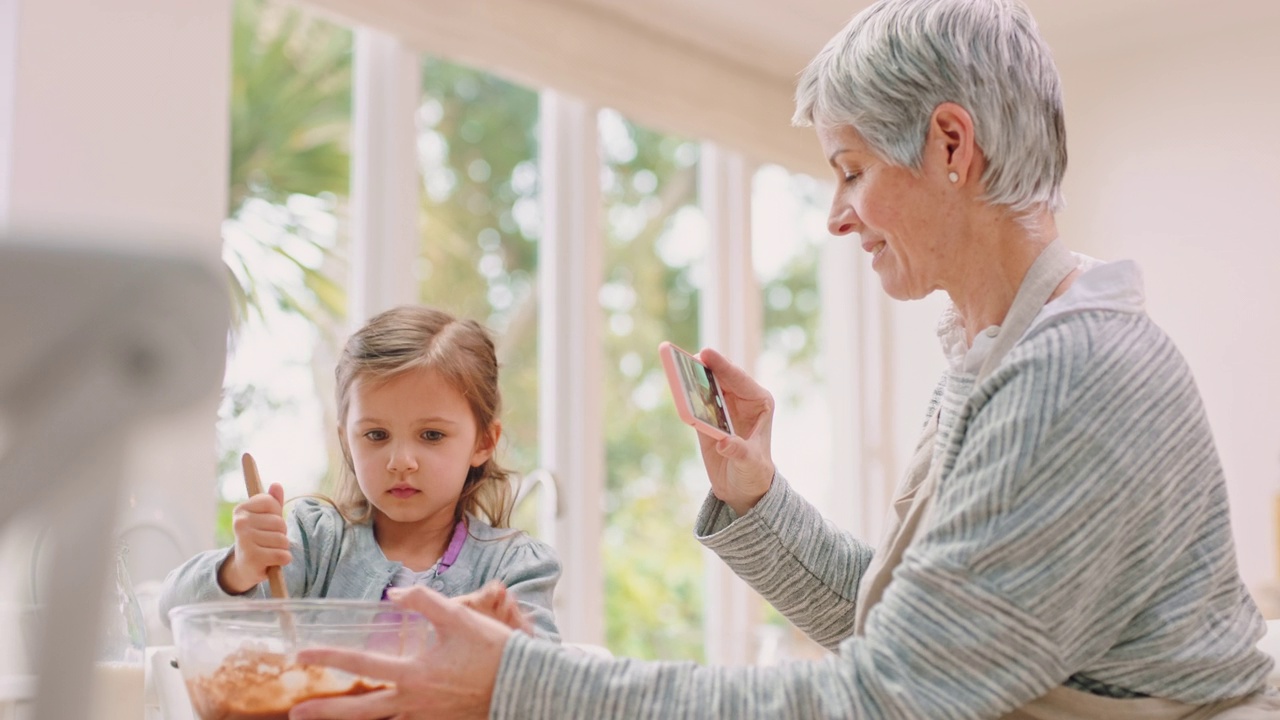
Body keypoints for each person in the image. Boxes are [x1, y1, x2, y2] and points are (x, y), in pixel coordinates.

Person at [287, 0, 1280, 717]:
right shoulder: (1003, 353)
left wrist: (516, 682)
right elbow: (910, 633)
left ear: (948, 145)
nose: (837, 217)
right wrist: (757, 500)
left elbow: (884, 696)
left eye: (849, 171)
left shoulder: (1070, 378)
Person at [159, 305, 560, 641]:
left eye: (432, 435)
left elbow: (546, 687)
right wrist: (240, 567)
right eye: (376, 434)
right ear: (346, 440)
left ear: (483, 443)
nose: (401, 460)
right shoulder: (314, 545)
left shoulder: (515, 568)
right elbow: (172, 608)